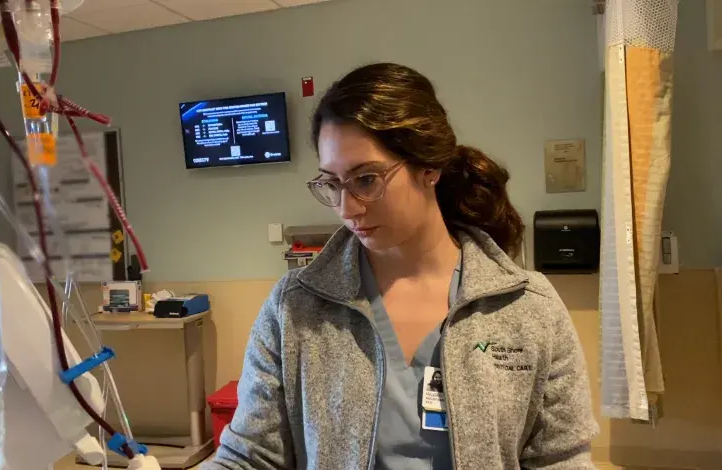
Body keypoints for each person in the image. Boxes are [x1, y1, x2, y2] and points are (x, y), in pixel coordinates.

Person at [204, 63, 598, 470]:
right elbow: (250, 455)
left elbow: (559, 458)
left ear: (429, 168)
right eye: (332, 183)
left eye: (366, 180)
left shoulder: (526, 308)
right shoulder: (295, 310)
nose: (347, 208)